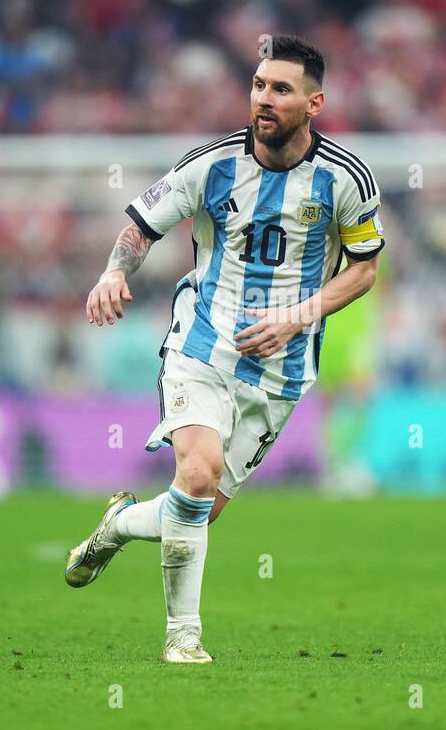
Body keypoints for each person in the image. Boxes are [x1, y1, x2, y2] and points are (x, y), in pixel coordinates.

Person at [68, 35, 385, 663]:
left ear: (314, 102)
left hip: (283, 369)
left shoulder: (345, 179)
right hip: (202, 345)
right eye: (259, 86)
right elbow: (141, 226)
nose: (264, 99)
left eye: (281, 89)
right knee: (195, 472)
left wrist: (298, 317)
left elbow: (364, 268)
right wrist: (113, 272)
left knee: (198, 509)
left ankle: (122, 524)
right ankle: (183, 637)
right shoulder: (210, 165)